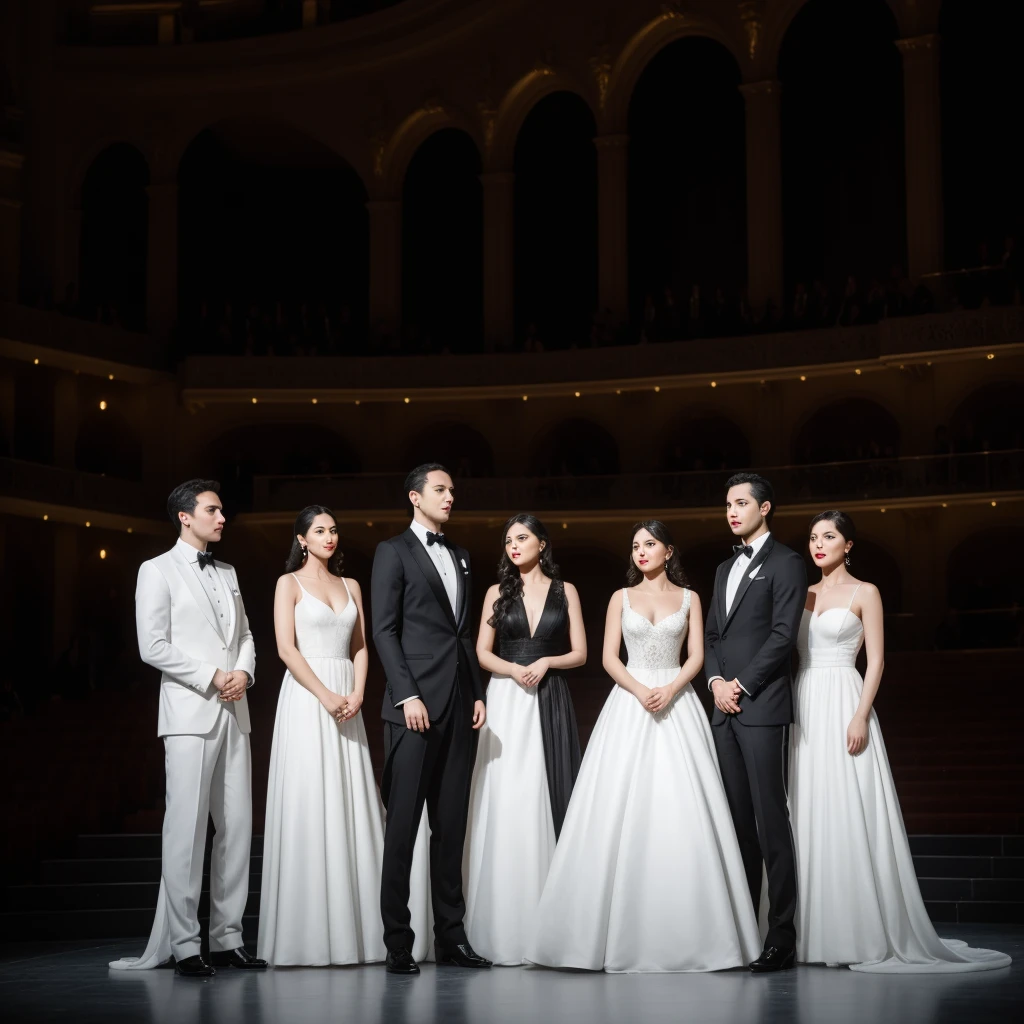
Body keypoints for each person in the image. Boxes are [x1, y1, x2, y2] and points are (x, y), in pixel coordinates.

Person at [528, 522, 760, 973]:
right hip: (630, 703)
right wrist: (639, 690)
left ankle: (697, 933)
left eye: (649, 544)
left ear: (669, 550)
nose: (640, 551)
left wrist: (672, 688)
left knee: (682, 807)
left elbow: (696, 656)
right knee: (615, 806)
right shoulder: (621, 597)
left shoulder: (690, 598)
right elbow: (608, 657)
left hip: (677, 701)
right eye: (635, 545)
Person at [790, 511, 1011, 973]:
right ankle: (805, 932)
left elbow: (877, 661)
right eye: (813, 537)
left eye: (829, 536)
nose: (818, 544)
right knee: (807, 808)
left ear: (848, 544)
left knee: (848, 806)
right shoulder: (803, 594)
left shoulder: (865, 591)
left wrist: (861, 714)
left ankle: (854, 929)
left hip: (845, 697)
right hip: (804, 700)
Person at [258, 505, 431, 965]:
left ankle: (361, 931)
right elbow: (284, 648)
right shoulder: (287, 584)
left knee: (351, 799)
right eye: (320, 531)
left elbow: (361, 646)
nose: (329, 537)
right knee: (311, 798)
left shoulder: (351, 585)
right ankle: (307, 933)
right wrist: (326, 695)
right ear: (302, 539)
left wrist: (355, 693)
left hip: (347, 701)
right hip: (307, 698)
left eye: (334, 530)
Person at [110, 480, 265, 977]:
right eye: (213, 510)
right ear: (184, 515)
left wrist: (243, 671)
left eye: (221, 510)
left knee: (237, 828)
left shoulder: (229, 570)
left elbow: (244, 634)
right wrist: (212, 675)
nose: (222, 518)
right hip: (189, 712)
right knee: (186, 831)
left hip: (233, 710)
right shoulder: (155, 570)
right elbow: (151, 645)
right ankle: (184, 944)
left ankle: (227, 938)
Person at [371, 464, 490, 975]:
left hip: (460, 705)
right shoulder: (392, 552)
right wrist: (406, 696)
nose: (450, 497)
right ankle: (398, 940)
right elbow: (384, 630)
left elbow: (462, 635)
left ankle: (452, 938)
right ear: (415, 496)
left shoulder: (461, 555)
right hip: (413, 708)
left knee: (451, 828)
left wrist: (477, 691)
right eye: (440, 490)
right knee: (402, 829)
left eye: (452, 490)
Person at [463, 515, 586, 965]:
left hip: (549, 697)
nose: (513, 546)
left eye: (522, 538)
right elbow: (481, 651)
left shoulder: (564, 590)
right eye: (508, 540)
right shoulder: (498, 593)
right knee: (506, 797)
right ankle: (498, 923)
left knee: (544, 792)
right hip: (507, 698)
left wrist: (548, 663)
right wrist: (513, 670)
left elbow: (581, 653)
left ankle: (549, 923)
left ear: (543, 543)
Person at [705, 473, 806, 973]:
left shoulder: (787, 563)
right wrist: (716, 683)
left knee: (771, 822)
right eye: (728, 504)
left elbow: (785, 635)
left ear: (765, 508)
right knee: (737, 823)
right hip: (722, 710)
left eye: (741, 503)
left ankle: (781, 936)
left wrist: (740, 685)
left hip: (761, 707)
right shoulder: (724, 568)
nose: (732, 511)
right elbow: (709, 636)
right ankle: (743, 930)